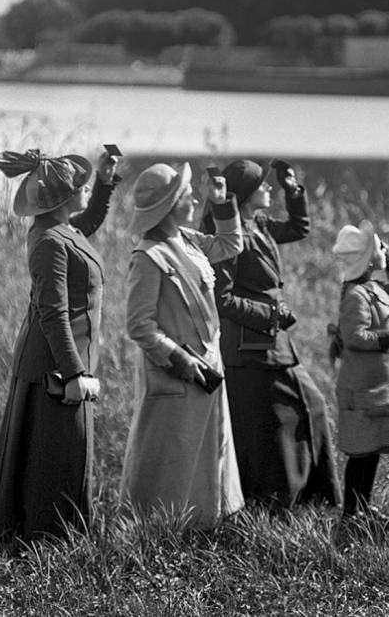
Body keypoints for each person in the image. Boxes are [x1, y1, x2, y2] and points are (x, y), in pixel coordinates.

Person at [0, 147, 120, 546]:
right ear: (62, 198)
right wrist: (74, 373)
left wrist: (105, 184)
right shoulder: (49, 242)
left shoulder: (62, 230)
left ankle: (60, 532)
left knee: (64, 449)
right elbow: (53, 313)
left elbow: (87, 222)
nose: (86, 190)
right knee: (55, 452)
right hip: (51, 366)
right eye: (83, 187)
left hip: (64, 360)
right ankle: (47, 538)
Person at [205, 159, 339, 510]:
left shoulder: (259, 224)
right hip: (251, 347)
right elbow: (223, 300)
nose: (269, 189)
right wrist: (271, 315)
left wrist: (293, 189)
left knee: (309, 406)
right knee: (275, 422)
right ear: (246, 195)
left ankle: (308, 495)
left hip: (273, 341)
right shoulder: (231, 237)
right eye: (263, 185)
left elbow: (299, 228)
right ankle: (282, 500)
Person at [119, 162, 246, 528]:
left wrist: (221, 203)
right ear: (170, 205)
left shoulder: (188, 239)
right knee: (171, 448)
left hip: (208, 362)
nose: (194, 199)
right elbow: (139, 325)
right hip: (178, 369)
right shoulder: (148, 256)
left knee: (209, 443)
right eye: (186, 195)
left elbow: (229, 244)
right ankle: (157, 526)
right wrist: (177, 359)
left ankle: (209, 518)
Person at [328, 221, 389, 527]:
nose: (384, 249)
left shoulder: (374, 289)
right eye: (379, 247)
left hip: (378, 389)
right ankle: (350, 513)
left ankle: (363, 508)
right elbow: (354, 337)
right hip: (364, 389)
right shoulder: (356, 295)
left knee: (373, 449)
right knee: (361, 453)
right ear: (367, 259)